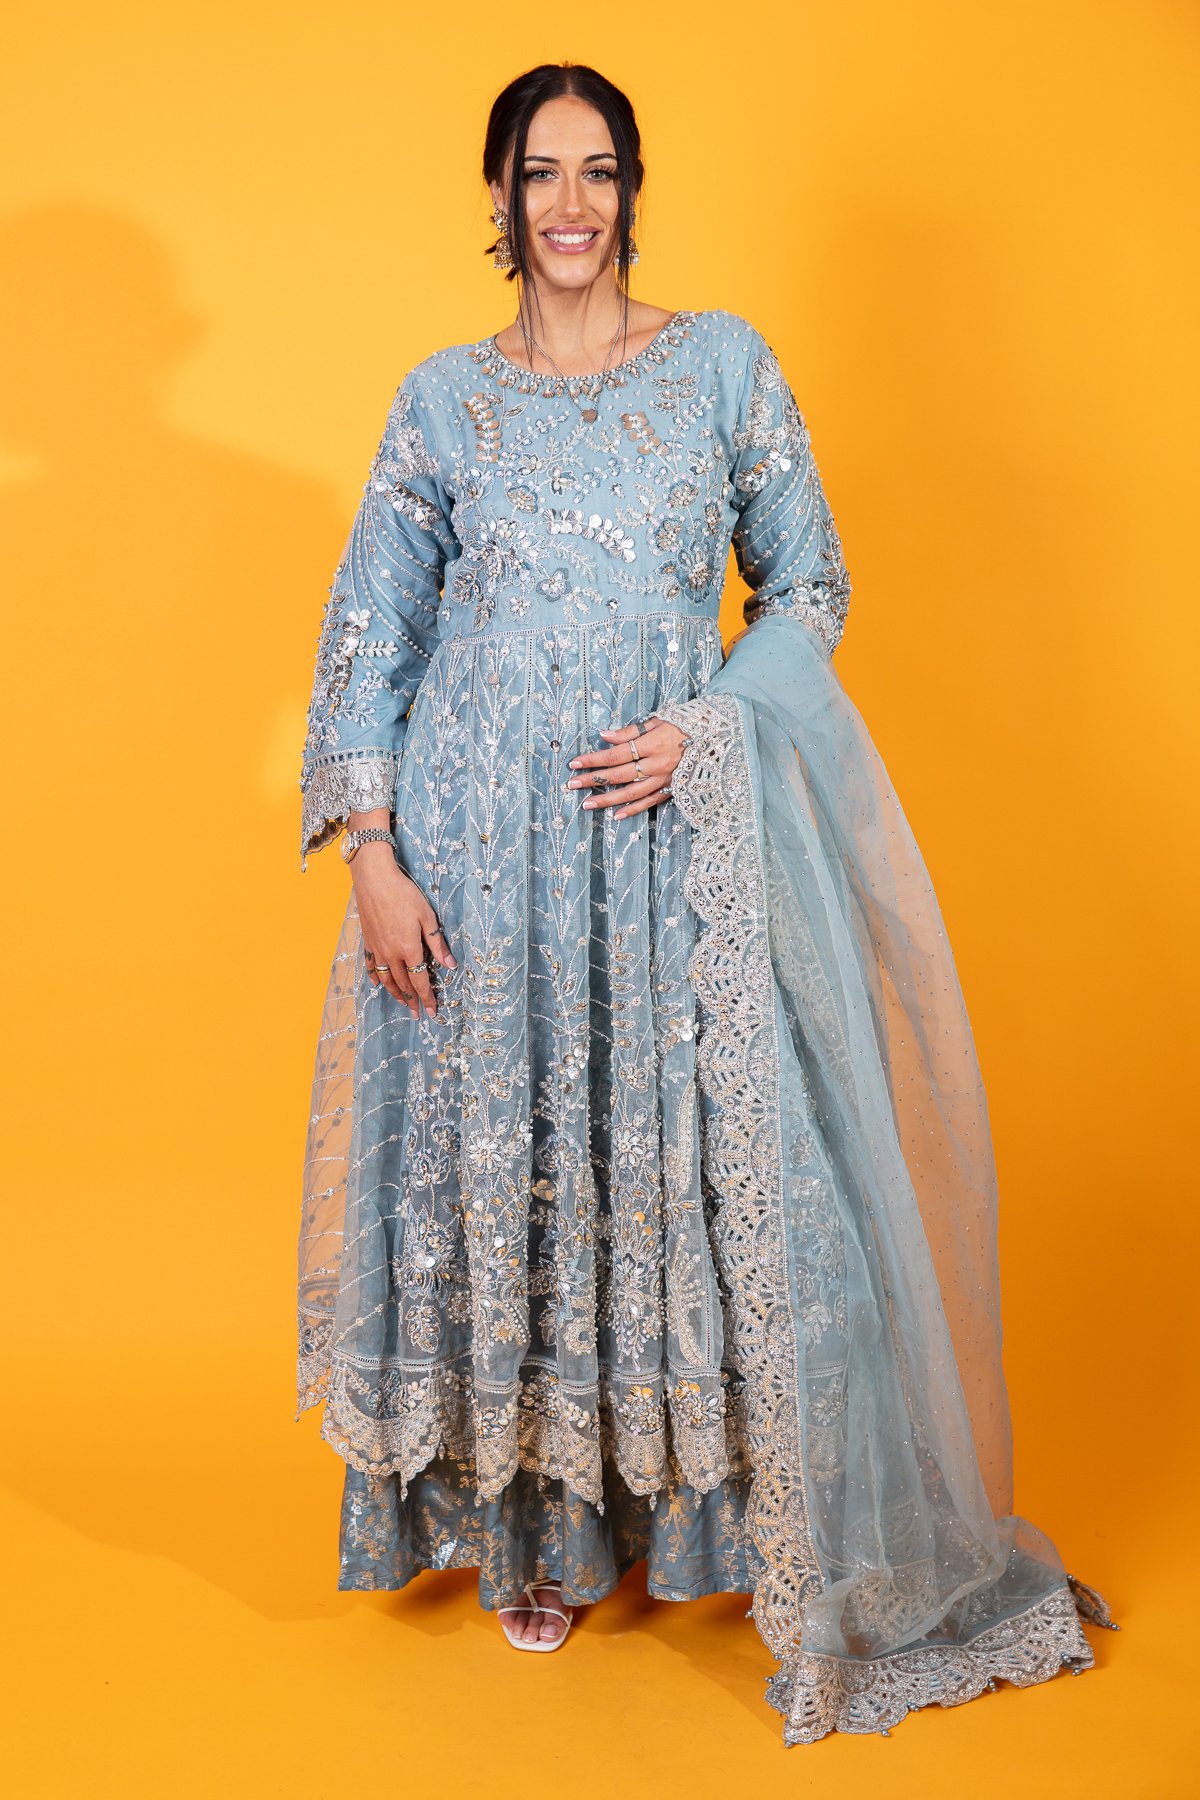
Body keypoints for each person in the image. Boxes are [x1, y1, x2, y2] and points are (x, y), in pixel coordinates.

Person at [295, 60, 1115, 1743]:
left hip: (670, 852)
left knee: (665, 1169)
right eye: (541, 172)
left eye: (599, 170)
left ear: (633, 191)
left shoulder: (723, 367)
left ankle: (700, 1524)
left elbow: (810, 580)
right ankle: (534, 1533)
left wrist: (708, 727)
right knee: (511, 1176)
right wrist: (373, 852)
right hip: (479, 870)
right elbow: (369, 634)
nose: (572, 203)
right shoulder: (439, 403)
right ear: (500, 198)